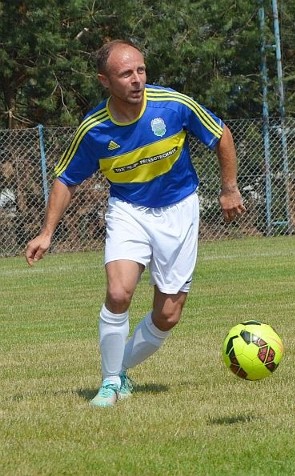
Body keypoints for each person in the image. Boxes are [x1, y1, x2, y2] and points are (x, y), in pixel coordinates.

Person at [25, 39, 246, 406]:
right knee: (118, 293)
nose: (137, 79)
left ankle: (119, 368)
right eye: (125, 73)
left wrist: (229, 188)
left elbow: (221, 133)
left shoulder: (173, 105)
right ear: (104, 81)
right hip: (128, 209)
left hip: (179, 210)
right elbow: (65, 178)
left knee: (168, 315)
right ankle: (110, 382)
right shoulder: (94, 129)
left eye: (140, 70)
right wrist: (47, 232)